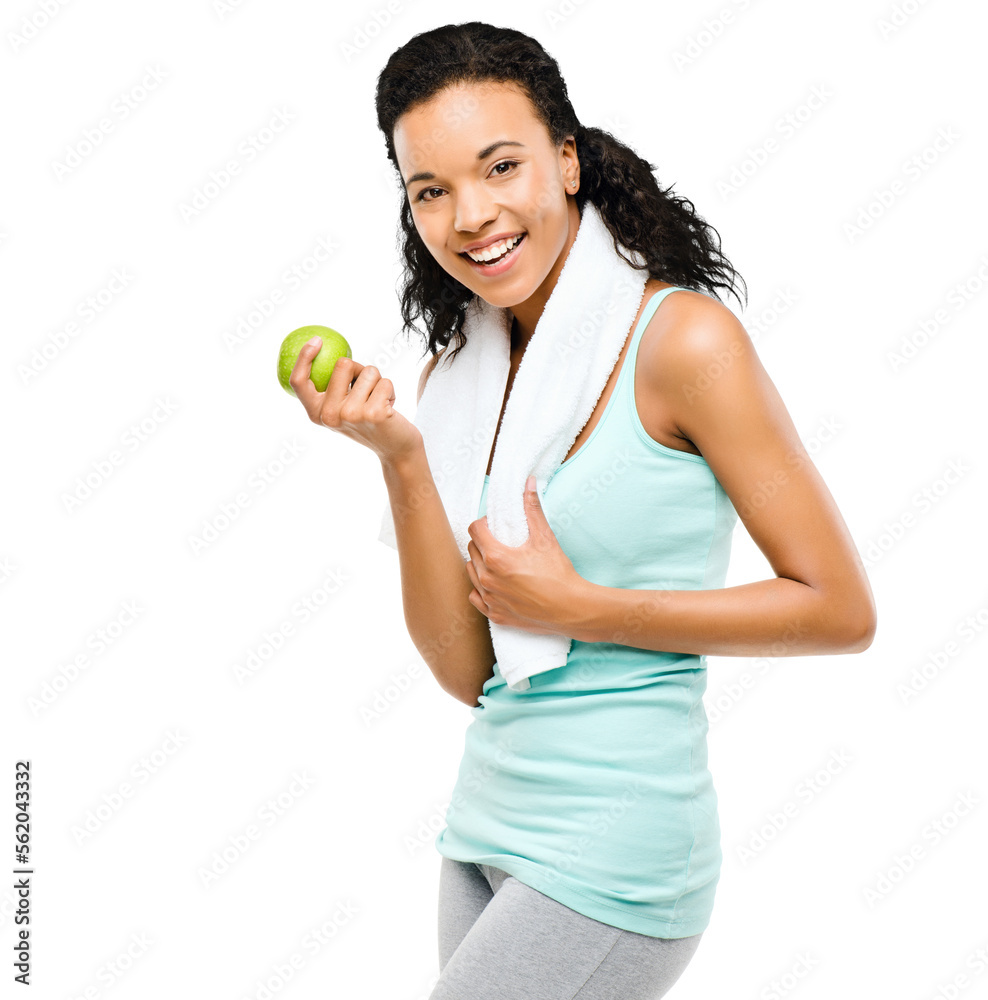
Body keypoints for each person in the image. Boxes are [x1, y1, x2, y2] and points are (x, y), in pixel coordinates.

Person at [289, 20, 877, 1000]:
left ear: (566, 161)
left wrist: (583, 608)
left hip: (614, 848)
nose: (470, 214)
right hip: (482, 826)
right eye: (430, 190)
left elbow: (837, 608)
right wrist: (399, 455)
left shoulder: (681, 343)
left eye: (500, 166)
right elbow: (470, 669)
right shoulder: (457, 379)